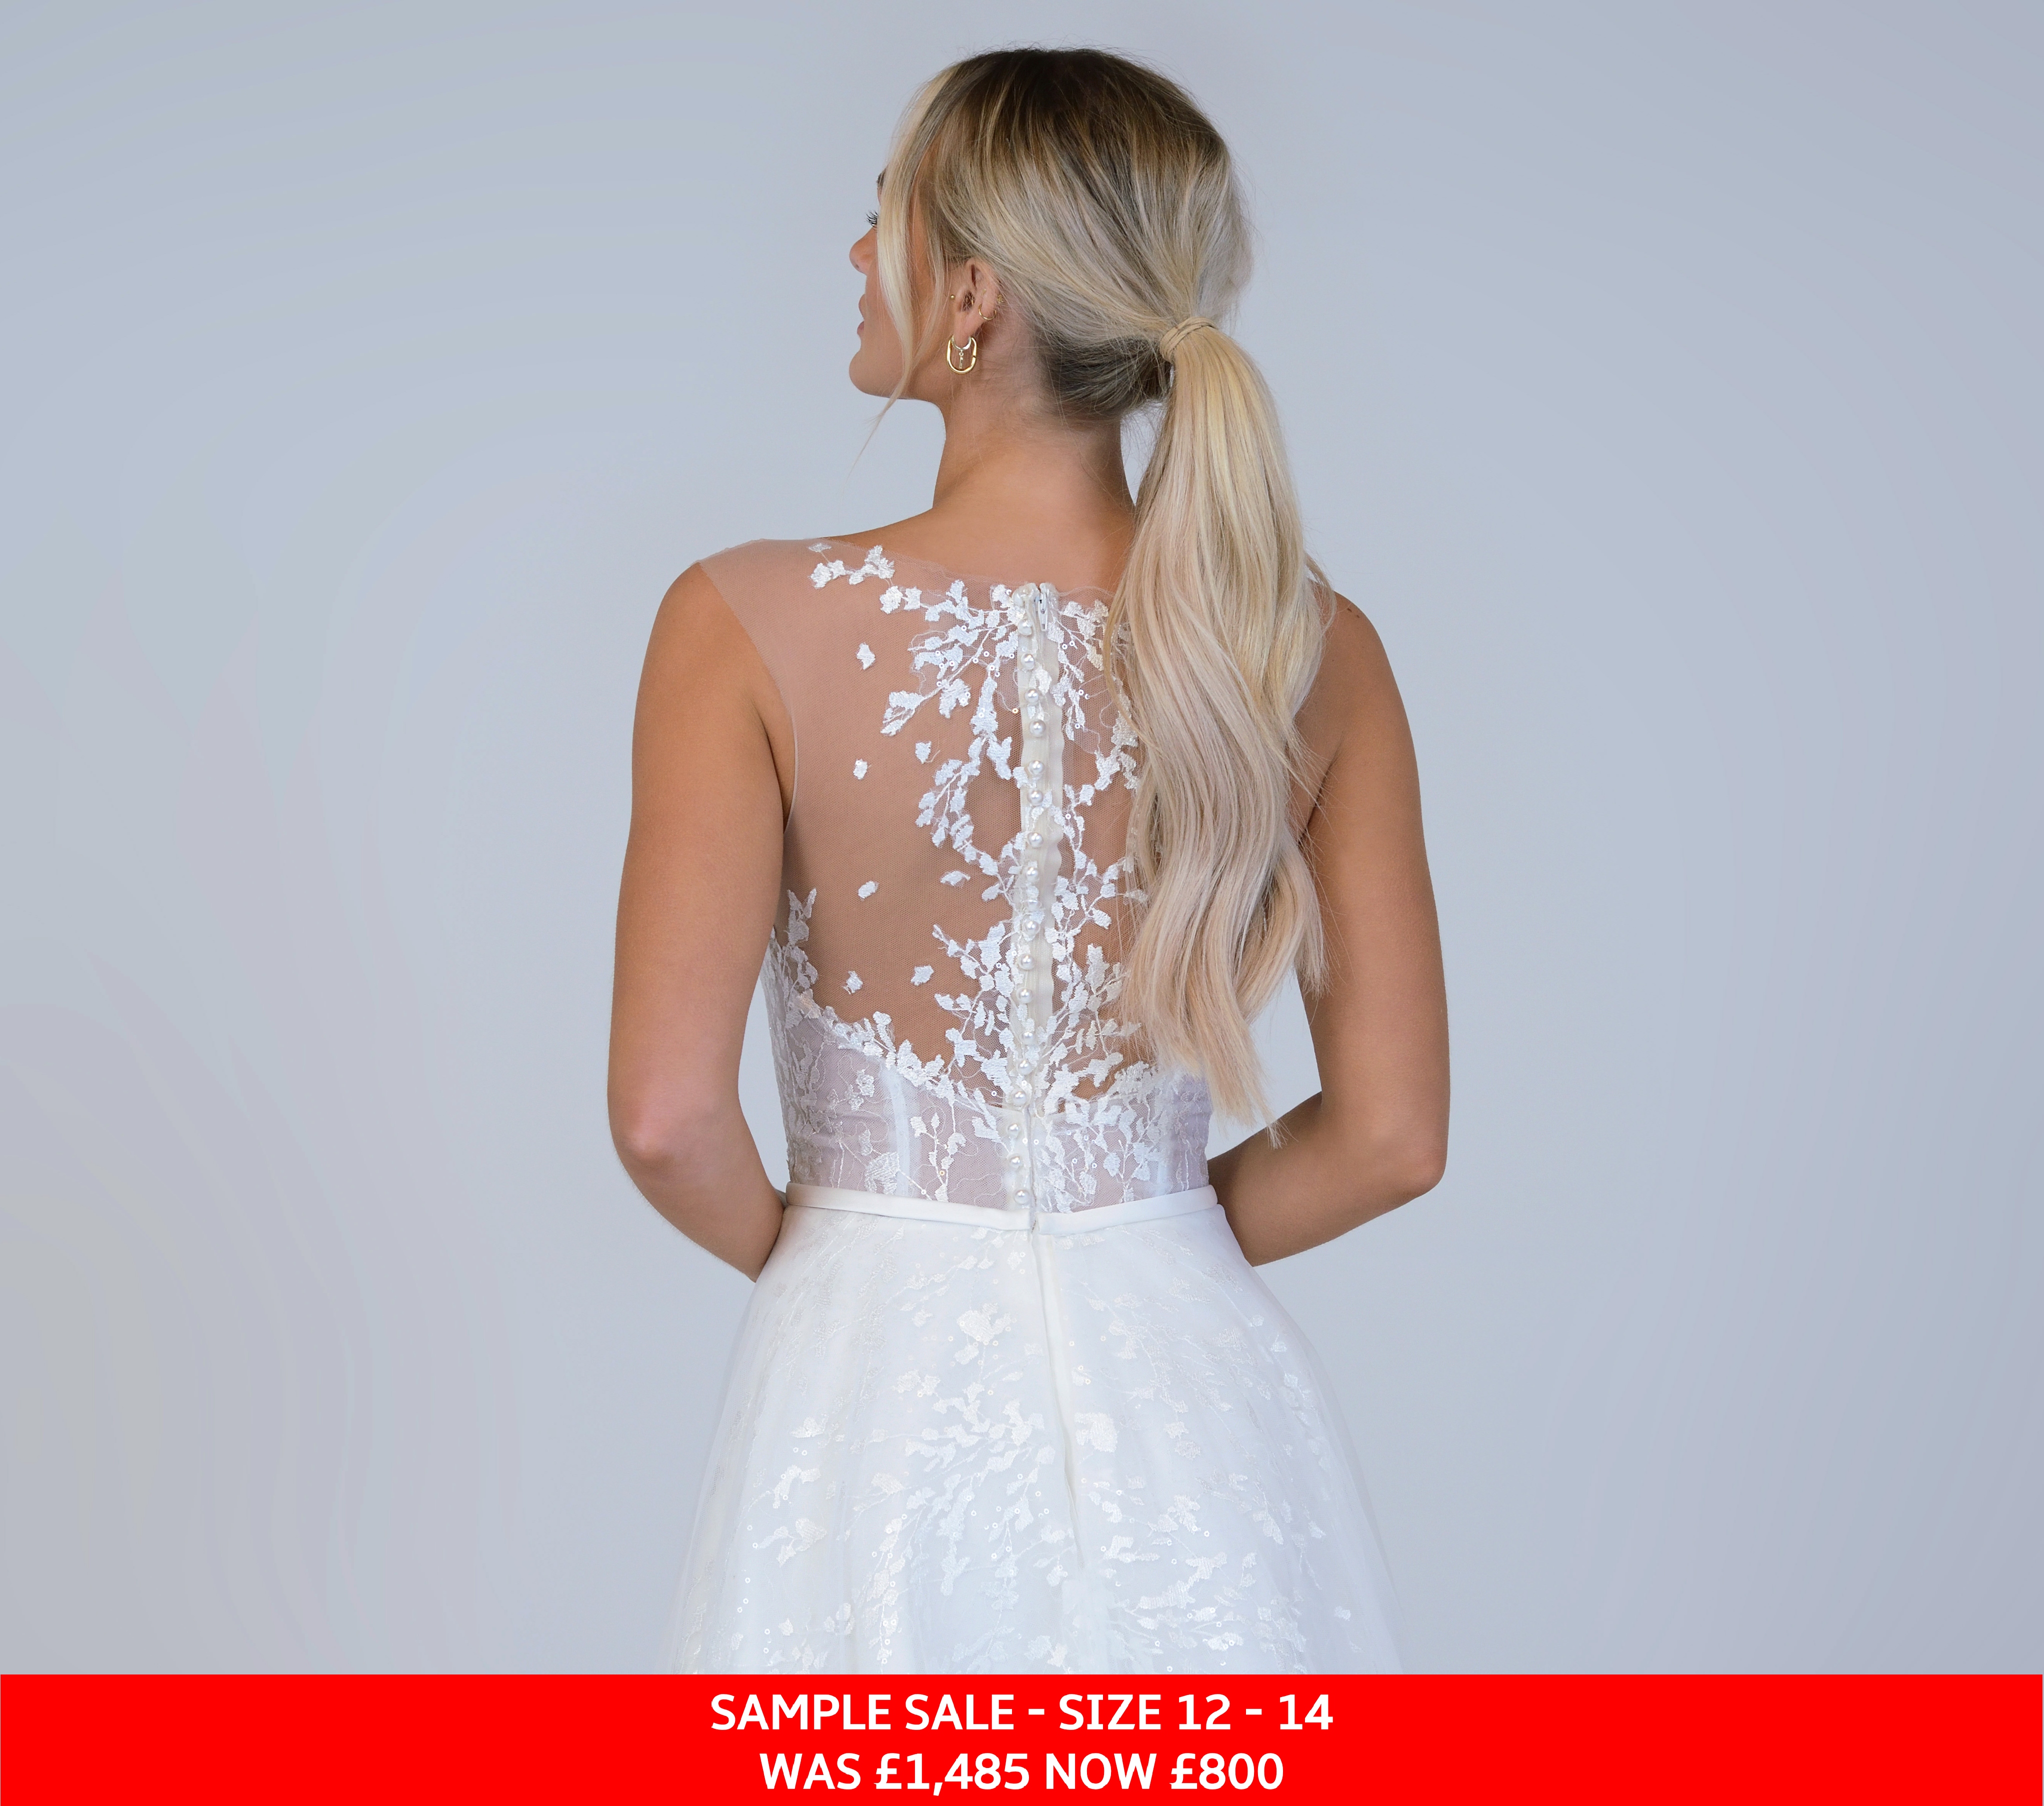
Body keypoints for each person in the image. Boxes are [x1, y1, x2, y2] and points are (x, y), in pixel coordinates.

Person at [609, 46, 1449, 1673]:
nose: (857, 254)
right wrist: (1145, 1238)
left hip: (870, 1387)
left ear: (973, 297)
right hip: (1196, 1401)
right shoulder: (1315, 649)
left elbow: (665, 1118)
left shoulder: (739, 622)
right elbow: (1392, 1137)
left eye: (884, 217)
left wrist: (843, 1263)